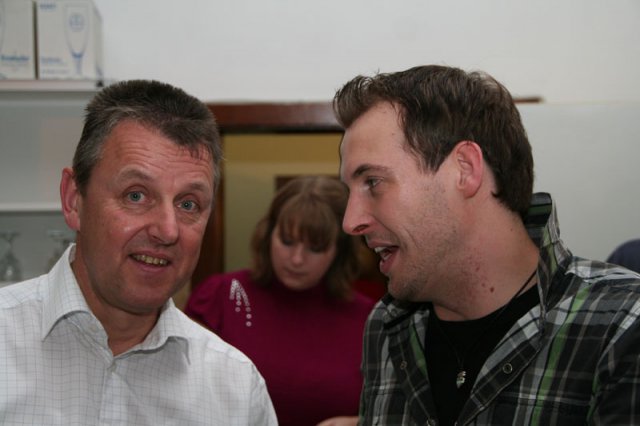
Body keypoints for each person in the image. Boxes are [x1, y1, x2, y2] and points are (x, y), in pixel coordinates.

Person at [333, 65, 640, 425]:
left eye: (373, 182)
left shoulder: (619, 325)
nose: (350, 222)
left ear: (465, 169)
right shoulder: (387, 326)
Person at [0, 80, 277, 425]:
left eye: (188, 204)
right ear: (74, 200)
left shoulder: (235, 390)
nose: (167, 230)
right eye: (136, 195)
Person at [185, 175, 376, 426]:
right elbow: (178, 393)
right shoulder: (222, 296)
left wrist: (361, 422)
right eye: (287, 241)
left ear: (339, 252)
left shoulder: (371, 320)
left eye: (315, 248)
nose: (296, 259)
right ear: (268, 235)